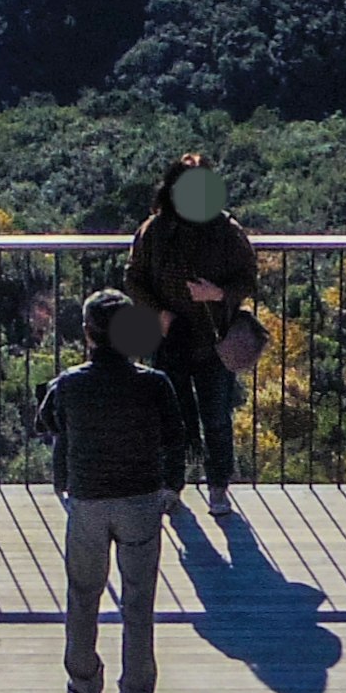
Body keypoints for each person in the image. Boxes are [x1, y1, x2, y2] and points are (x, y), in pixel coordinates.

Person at [40, 287, 192, 693]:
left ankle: (85, 683)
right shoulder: (153, 383)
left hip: (86, 499)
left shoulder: (68, 384)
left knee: (83, 594)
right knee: (138, 603)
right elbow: (176, 437)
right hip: (140, 500)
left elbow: (47, 423)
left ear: (87, 334)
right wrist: (170, 488)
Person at [129, 153, 260, 518]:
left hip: (214, 339)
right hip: (169, 338)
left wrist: (218, 294)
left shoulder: (225, 230)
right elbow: (134, 277)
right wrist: (160, 314)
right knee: (170, 417)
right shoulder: (154, 230)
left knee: (215, 416)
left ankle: (218, 487)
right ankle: (171, 485)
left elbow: (249, 277)